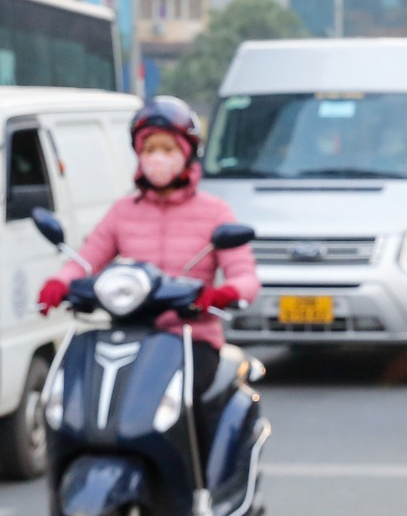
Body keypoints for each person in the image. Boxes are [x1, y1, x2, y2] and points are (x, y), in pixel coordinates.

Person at [37, 97, 258, 447]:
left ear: (187, 152)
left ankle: (201, 492)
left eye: (168, 148)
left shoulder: (215, 212)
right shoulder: (123, 212)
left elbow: (245, 275)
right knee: (75, 400)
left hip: (191, 339)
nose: (158, 157)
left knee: (190, 407)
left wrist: (224, 294)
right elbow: (86, 258)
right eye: (150, 148)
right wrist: (58, 284)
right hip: (128, 335)